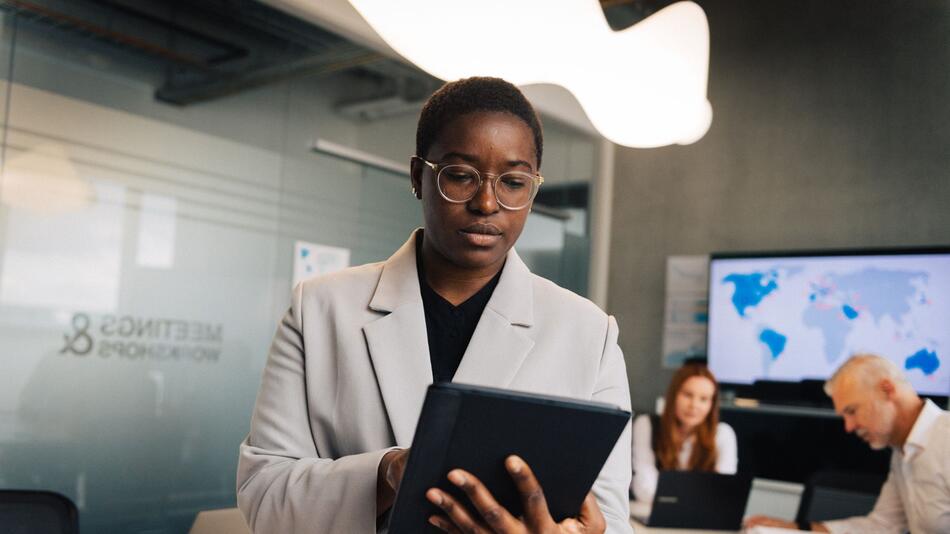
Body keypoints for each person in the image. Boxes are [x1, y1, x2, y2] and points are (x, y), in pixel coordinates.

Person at [236, 77, 633, 534]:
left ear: (533, 189)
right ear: (417, 176)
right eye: (461, 176)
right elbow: (263, 494)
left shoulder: (588, 334)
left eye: (514, 182)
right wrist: (386, 473)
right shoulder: (320, 310)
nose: (487, 203)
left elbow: (612, 522)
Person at [744, 354, 950, 533]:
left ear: (887, 390)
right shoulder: (901, 452)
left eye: (852, 411)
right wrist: (794, 529)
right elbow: (881, 527)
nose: (848, 427)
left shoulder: (945, 439)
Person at [630, 362, 737, 504]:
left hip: (701, 519)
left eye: (704, 399)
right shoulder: (647, 424)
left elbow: (722, 489)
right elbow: (643, 484)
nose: (694, 405)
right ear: (674, 395)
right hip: (654, 511)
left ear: (712, 405)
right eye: (688, 395)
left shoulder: (723, 433)